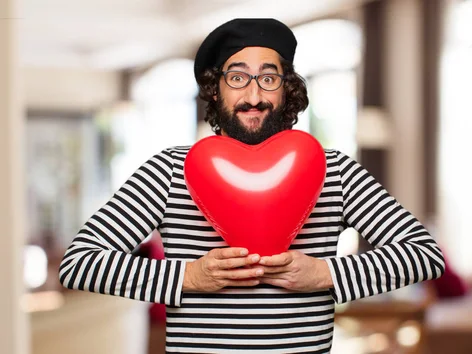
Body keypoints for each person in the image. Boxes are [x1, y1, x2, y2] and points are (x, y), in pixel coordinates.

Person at [59, 18, 446, 353]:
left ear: (286, 89)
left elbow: (425, 254)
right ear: (215, 89)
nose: (254, 95)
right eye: (238, 77)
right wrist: (190, 277)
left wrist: (325, 274)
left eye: (269, 77)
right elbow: (79, 263)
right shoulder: (168, 170)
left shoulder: (334, 170)